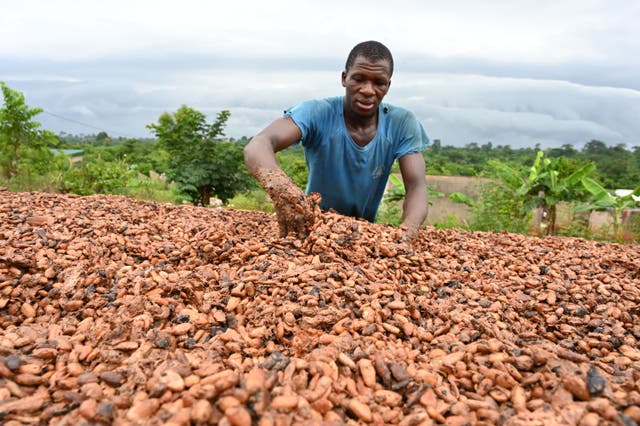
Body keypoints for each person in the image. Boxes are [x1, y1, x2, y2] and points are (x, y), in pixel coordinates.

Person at [244, 40, 429, 241]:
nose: (368, 90)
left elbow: (416, 187)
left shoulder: (401, 123)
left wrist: (407, 232)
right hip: (311, 232)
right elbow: (258, 145)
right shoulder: (316, 112)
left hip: (363, 236)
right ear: (344, 78)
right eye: (359, 79)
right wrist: (284, 191)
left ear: (388, 85)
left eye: (379, 82)